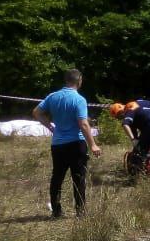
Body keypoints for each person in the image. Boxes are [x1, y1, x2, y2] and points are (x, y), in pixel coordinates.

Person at [33, 68, 102, 218]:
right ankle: (80, 212)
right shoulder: (79, 99)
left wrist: (50, 126)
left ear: (66, 80)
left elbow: (36, 112)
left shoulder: (52, 96)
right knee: (78, 178)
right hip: (76, 143)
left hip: (57, 144)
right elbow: (83, 124)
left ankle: (56, 211)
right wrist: (93, 144)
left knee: (57, 177)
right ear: (79, 81)